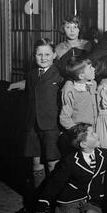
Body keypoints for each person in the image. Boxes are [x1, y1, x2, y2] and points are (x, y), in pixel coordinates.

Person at [8, 123, 107, 213]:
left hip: (91, 201)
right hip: (70, 202)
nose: (97, 135)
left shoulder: (105, 155)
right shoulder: (70, 160)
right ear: (83, 144)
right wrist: (41, 206)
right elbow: (55, 183)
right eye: (92, 134)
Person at [24, 38, 63, 188]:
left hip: (52, 126)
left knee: (53, 163)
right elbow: (28, 101)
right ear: (34, 56)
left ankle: (52, 199)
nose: (43, 58)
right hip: (33, 126)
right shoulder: (31, 74)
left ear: (54, 55)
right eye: (39, 54)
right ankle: (39, 199)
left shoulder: (60, 75)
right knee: (36, 163)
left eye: (47, 54)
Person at [59, 58, 98, 130]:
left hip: (95, 129)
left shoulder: (93, 84)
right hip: (82, 133)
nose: (94, 69)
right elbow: (64, 118)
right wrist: (78, 132)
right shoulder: (70, 92)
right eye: (90, 68)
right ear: (81, 76)